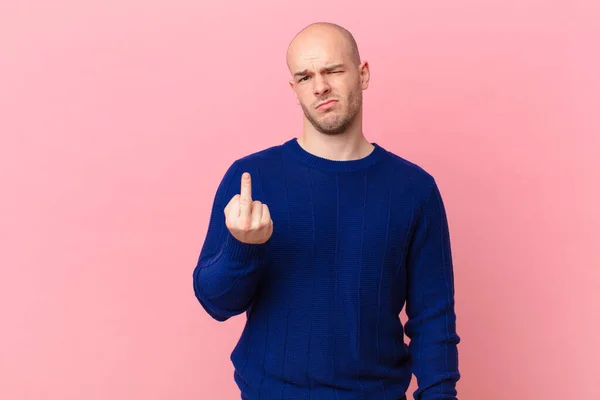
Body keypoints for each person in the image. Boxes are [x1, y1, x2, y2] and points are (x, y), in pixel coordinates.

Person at [193, 22, 460, 400]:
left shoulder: (415, 190)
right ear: (294, 89)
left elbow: (433, 319)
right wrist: (242, 246)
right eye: (305, 77)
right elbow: (215, 303)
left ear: (362, 74)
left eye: (333, 70)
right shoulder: (251, 179)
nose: (319, 86)